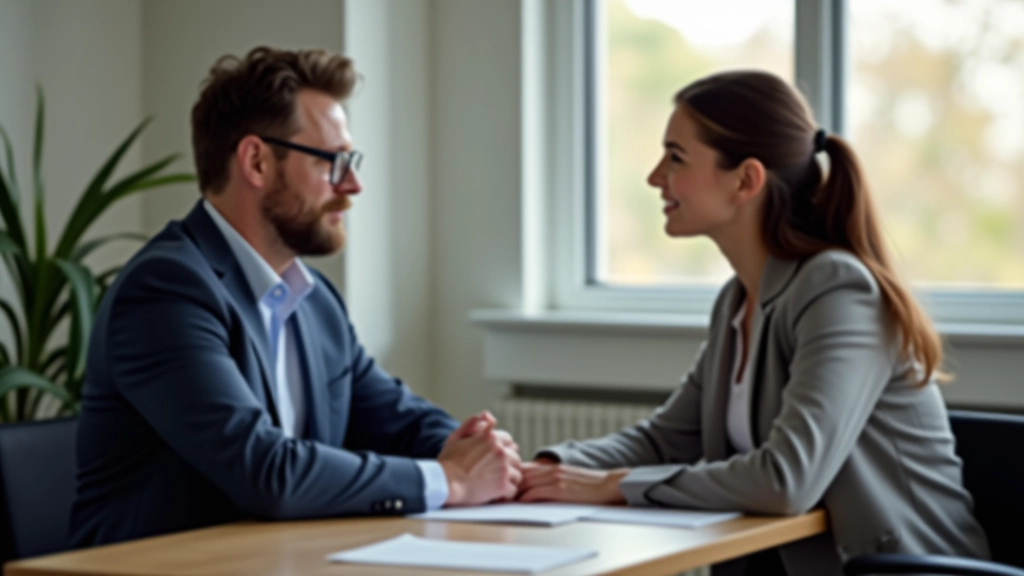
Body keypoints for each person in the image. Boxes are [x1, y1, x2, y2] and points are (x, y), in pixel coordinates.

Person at [515, 71, 990, 575]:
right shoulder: (738, 299)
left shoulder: (839, 290)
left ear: (746, 180)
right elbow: (666, 438)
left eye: (676, 157)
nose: (656, 176)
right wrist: (544, 470)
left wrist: (617, 485)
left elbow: (788, 479)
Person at [69, 46, 520, 547]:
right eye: (334, 162)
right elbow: (265, 471)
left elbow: (397, 418)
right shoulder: (167, 291)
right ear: (257, 161)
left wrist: (475, 451)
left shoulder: (313, 300)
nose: (353, 186)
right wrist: (451, 480)